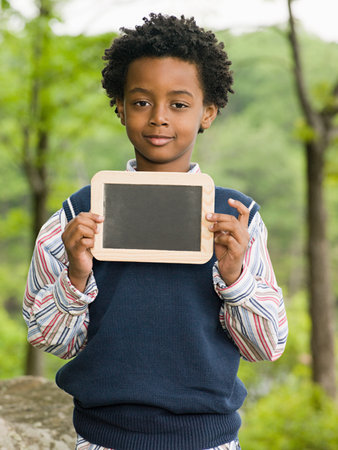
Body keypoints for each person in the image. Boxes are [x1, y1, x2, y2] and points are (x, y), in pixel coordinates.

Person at [23, 13, 288, 450]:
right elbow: (49, 338)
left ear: (208, 112)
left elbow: (266, 346)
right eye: (142, 101)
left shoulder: (237, 220)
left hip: (209, 440)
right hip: (102, 439)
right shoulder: (76, 218)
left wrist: (237, 276)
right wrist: (74, 274)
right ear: (120, 107)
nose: (159, 118)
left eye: (179, 104)